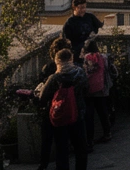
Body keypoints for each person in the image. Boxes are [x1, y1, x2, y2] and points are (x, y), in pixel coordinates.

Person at [37, 48, 88, 170]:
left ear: (57, 61)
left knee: (62, 150)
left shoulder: (55, 78)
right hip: (77, 114)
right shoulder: (80, 74)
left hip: (60, 118)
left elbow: (43, 98)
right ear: (71, 59)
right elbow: (87, 90)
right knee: (80, 148)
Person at [35, 37, 71, 170]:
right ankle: (62, 165)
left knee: (47, 139)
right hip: (65, 107)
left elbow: (41, 88)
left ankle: (43, 164)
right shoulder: (73, 70)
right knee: (62, 140)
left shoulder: (49, 68)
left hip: (50, 107)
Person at [82, 40, 113, 146]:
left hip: (89, 90)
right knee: (103, 112)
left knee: (89, 115)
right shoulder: (103, 57)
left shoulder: (86, 58)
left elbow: (86, 73)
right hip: (101, 88)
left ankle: (89, 139)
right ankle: (107, 133)